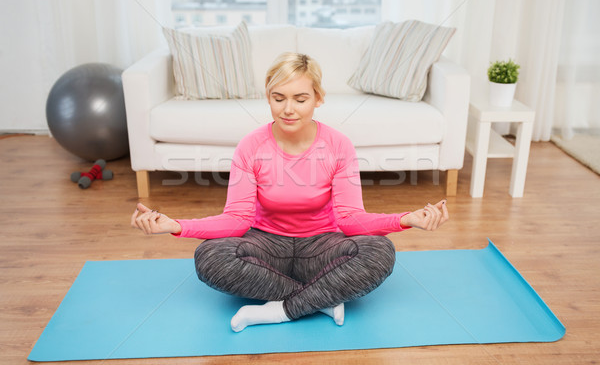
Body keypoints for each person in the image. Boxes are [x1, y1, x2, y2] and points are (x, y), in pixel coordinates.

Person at [131, 52, 449, 332]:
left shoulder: (339, 145)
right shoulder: (250, 146)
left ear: (318, 98)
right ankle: (322, 300)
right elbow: (237, 220)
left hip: (322, 247)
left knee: (380, 252)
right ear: (268, 97)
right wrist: (177, 226)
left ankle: (282, 309)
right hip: (265, 247)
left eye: (300, 98)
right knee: (209, 257)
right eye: (278, 97)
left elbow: (351, 220)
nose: (288, 109)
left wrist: (406, 219)